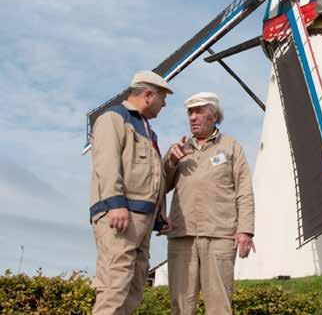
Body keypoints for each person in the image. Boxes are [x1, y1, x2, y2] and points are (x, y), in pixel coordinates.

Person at [89, 70, 173, 315]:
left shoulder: (148, 131)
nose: (164, 104)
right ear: (148, 95)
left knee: (133, 289)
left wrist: (159, 216)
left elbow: (150, 177)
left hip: (142, 221)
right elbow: (106, 163)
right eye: (163, 98)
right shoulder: (114, 119)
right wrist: (115, 204)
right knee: (114, 286)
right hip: (121, 217)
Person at [164, 92, 255, 315]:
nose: (192, 117)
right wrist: (170, 163)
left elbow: (244, 190)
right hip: (182, 236)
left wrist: (245, 230)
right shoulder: (179, 149)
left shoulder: (231, 147)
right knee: (180, 305)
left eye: (198, 112)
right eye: (189, 112)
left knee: (219, 307)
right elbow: (160, 186)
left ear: (214, 116)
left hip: (220, 235)